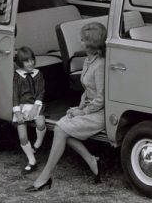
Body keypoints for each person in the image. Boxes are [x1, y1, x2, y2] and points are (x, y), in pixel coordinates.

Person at [27, 22, 107, 192]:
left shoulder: (100, 64)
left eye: (82, 40)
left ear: (91, 44)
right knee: (62, 127)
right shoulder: (88, 60)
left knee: (61, 129)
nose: (79, 41)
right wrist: (78, 108)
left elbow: (101, 98)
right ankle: (92, 160)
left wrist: (82, 112)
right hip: (88, 108)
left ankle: (45, 176)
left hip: (100, 113)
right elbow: (87, 91)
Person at [12, 46, 47, 174]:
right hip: (21, 107)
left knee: (41, 123)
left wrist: (35, 108)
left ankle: (37, 144)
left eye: (32, 60)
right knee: (22, 136)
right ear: (20, 62)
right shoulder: (17, 76)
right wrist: (17, 113)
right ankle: (32, 160)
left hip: (36, 104)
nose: (31, 63)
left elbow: (41, 92)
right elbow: (15, 95)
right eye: (26, 61)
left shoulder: (38, 74)